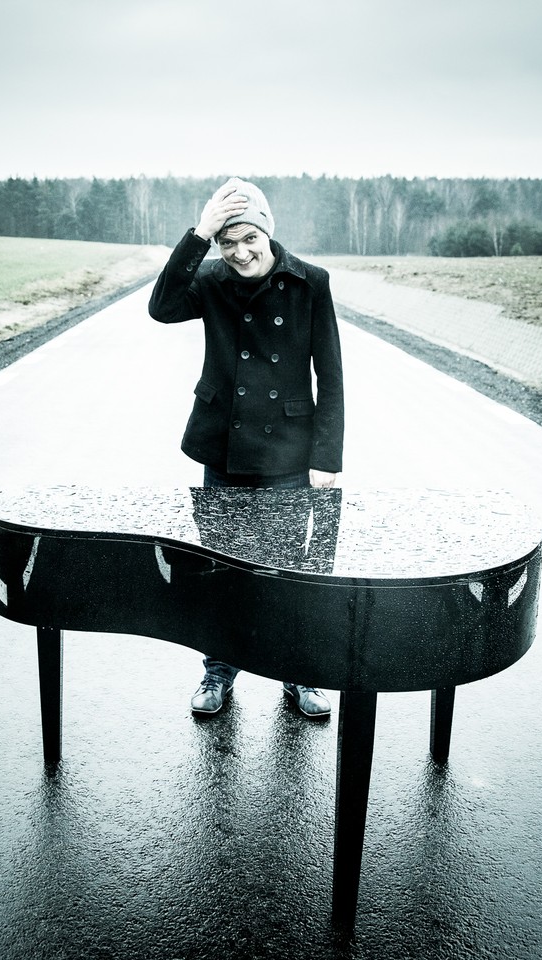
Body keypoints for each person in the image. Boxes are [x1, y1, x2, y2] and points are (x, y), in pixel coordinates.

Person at [148, 177, 345, 719]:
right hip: (222, 448)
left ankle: (298, 672)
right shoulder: (211, 278)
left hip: (286, 453)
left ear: (267, 232)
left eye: (248, 238)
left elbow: (329, 373)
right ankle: (218, 672)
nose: (239, 252)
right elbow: (161, 307)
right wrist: (198, 234)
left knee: (289, 569)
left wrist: (326, 457)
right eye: (226, 241)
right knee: (221, 566)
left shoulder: (310, 282)